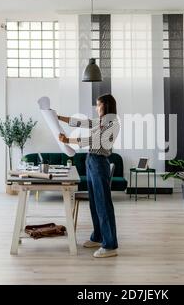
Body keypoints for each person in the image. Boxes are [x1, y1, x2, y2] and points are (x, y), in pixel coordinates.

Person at [58, 94, 120, 258]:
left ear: (106, 106)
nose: (96, 108)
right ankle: (98, 237)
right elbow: (80, 122)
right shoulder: (99, 122)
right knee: (94, 203)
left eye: (98, 105)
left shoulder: (112, 124)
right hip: (91, 161)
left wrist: (68, 139)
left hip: (100, 163)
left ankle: (110, 245)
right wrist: (56, 117)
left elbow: (94, 141)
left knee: (103, 204)